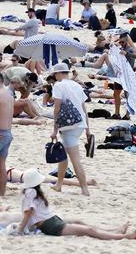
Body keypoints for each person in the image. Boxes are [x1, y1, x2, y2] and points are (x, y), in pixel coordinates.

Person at [17, 169, 136, 239]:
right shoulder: (31, 192)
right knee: (89, 230)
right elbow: (28, 213)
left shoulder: (32, 191)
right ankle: (124, 237)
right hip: (51, 226)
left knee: (80, 223)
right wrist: (20, 231)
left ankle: (114, 230)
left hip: (53, 221)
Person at [50, 63, 91, 196]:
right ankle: (59, 184)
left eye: (55, 74)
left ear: (58, 74)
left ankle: (84, 188)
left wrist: (54, 130)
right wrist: (88, 129)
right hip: (80, 124)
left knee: (74, 158)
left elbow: (56, 109)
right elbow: (84, 109)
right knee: (63, 155)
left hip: (68, 126)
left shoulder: (58, 85)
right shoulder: (76, 85)